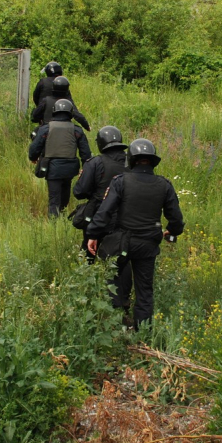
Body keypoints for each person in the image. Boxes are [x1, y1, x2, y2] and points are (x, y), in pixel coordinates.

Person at [86, 138, 185, 328]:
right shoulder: (164, 185)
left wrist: (93, 234)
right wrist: (172, 231)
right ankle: (143, 334)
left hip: (122, 242)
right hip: (148, 245)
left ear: (131, 159)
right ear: (152, 160)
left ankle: (116, 326)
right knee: (145, 291)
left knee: (113, 283)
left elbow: (105, 212)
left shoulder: (121, 181)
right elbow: (176, 219)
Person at [72, 126, 129, 259]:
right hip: (126, 217)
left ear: (100, 143)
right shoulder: (132, 163)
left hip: (98, 215)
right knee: (119, 257)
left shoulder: (95, 163)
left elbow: (79, 192)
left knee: (89, 255)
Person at [28, 99, 92, 217]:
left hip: (52, 169)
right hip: (70, 170)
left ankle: (54, 225)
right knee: (65, 194)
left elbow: (34, 149)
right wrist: (86, 169)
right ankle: (62, 215)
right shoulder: (77, 130)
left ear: (55, 111)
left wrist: (33, 158)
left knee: (54, 199)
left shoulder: (46, 129)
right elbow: (86, 154)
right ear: (70, 113)